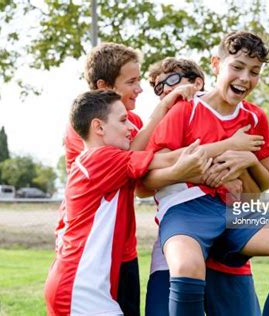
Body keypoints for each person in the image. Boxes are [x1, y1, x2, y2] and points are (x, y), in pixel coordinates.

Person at [143, 31, 269, 316]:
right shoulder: (185, 111)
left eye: (254, 72)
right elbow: (151, 168)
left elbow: (260, 186)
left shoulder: (255, 118)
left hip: (233, 210)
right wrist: (205, 163)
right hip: (187, 210)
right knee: (187, 266)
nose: (244, 78)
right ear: (216, 64)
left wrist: (248, 159)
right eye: (237, 67)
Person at [44, 90, 211, 315]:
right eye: (123, 121)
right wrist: (232, 145)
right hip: (78, 289)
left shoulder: (99, 161)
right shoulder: (101, 159)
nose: (131, 128)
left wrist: (162, 107)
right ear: (99, 127)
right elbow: (169, 159)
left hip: (80, 285)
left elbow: (137, 149)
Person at [55, 42, 190, 315]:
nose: (140, 88)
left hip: (123, 247)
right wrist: (164, 108)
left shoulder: (133, 122)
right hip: (91, 251)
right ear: (104, 86)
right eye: (132, 81)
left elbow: (150, 167)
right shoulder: (83, 129)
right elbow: (138, 165)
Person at [144, 57, 261, 316]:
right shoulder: (159, 127)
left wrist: (241, 161)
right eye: (158, 86)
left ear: (198, 83)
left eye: (172, 80)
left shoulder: (227, 118)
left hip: (223, 242)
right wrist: (200, 173)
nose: (164, 88)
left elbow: (247, 192)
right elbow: (142, 184)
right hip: (177, 241)